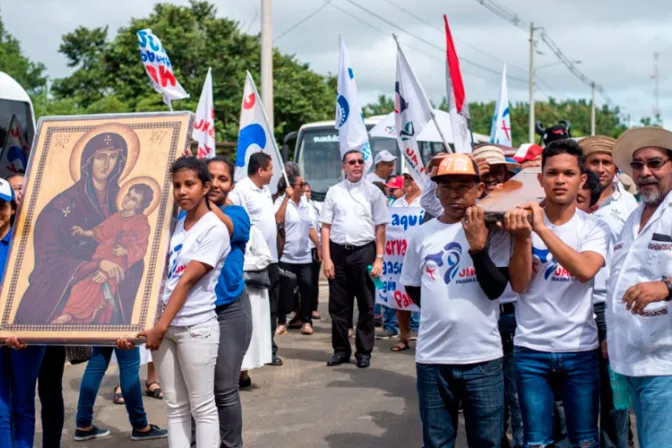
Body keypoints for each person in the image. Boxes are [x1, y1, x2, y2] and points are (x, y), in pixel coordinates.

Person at [118, 156, 229, 447]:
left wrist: (159, 327)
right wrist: (143, 325)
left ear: (206, 187)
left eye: (190, 184)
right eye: (177, 185)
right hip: (165, 329)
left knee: (202, 406)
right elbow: (157, 279)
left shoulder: (213, 229)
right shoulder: (177, 225)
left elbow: (186, 280)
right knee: (175, 406)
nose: (182, 191)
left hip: (195, 328)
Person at [401, 153, 509, 447]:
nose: (454, 193)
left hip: (482, 358)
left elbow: (496, 289)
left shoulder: (495, 232)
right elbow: (413, 287)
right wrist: (444, 312)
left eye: (463, 185)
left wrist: (477, 248)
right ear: (436, 190)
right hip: (433, 358)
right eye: (446, 185)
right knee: (437, 441)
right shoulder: (422, 234)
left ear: (479, 189)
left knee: (488, 440)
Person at [507, 139, 609, 448]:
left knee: (585, 440)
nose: (560, 180)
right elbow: (520, 285)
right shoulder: (520, 223)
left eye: (568, 173)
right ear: (540, 179)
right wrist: (524, 238)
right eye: (552, 173)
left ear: (581, 179)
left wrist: (541, 230)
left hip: (580, 349)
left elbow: (585, 270)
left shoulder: (594, 228)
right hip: (531, 350)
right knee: (536, 441)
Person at [606, 127, 672, 447]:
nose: (645, 172)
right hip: (630, 357)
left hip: (666, 362)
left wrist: (667, 286)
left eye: (655, 163)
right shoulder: (634, 216)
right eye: (637, 165)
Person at [579, 136, 637, 448]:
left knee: (614, 401)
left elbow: (628, 266)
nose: (600, 169)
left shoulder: (628, 207)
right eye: (594, 162)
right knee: (578, 396)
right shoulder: (569, 200)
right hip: (572, 309)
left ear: (615, 168)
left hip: (607, 310)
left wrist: (614, 325)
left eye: (607, 163)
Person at [321, 149, 389, 368]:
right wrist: (327, 258)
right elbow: (325, 227)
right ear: (344, 166)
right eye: (352, 162)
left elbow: (380, 227)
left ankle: (363, 352)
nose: (356, 165)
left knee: (366, 304)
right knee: (339, 306)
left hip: (364, 252)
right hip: (339, 252)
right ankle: (341, 350)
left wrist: (379, 258)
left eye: (360, 161)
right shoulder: (334, 192)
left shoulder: (373, 193)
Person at [53, 183, 153, 325]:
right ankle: (70, 314)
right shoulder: (116, 217)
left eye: (134, 199)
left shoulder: (141, 222)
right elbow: (100, 231)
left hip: (118, 264)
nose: (127, 199)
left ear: (139, 206)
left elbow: (141, 247)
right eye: (128, 195)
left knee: (96, 286)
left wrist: (126, 251)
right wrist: (83, 232)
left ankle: (73, 315)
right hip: (102, 258)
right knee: (80, 286)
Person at [205, 156, 253, 446]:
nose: (215, 184)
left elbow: (228, 228)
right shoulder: (184, 216)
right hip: (195, 314)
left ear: (231, 185)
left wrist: (200, 200)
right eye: (209, 177)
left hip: (230, 311)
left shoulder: (235, 212)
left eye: (222, 179)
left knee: (224, 389)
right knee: (199, 392)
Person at [0, 179, 46, 448]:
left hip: (25, 336)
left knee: (23, 404)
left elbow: (42, 286)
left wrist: (28, 327)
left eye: (2, 205)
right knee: (1, 408)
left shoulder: (28, 244)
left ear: (13, 208)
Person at [229, 152, 283, 366]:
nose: (272, 175)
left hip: (270, 259)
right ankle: (248, 357)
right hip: (251, 262)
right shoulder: (241, 190)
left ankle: (268, 350)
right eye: (270, 169)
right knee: (252, 310)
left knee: (271, 309)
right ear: (260, 170)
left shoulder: (264, 191)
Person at [275, 172, 319, 335]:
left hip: (305, 256)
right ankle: (281, 321)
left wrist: (319, 246)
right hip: (286, 255)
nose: (304, 187)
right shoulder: (281, 202)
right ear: (292, 187)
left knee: (307, 287)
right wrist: (287, 198)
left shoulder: (307, 205)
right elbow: (278, 220)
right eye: (301, 185)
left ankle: (306, 321)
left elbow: (311, 227)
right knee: (285, 289)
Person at [389, 173, 422, 353]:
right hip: (400, 258)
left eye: (412, 178)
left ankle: (425, 336)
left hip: (422, 258)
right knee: (400, 299)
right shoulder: (397, 204)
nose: (408, 182)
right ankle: (404, 336)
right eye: (406, 178)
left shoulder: (427, 202)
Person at [304, 182, 323, 320]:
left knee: (314, 279)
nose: (308, 194)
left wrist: (319, 246)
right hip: (302, 248)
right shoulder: (299, 206)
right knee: (306, 281)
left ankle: (313, 308)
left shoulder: (315, 206)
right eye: (305, 191)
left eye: (309, 191)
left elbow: (319, 227)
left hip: (314, 247)